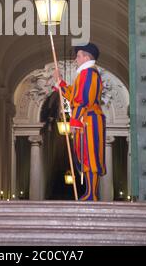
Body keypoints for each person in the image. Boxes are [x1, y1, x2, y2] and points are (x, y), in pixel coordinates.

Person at [54, 43, 106, 201]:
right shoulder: (84, 74)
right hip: (85, 119)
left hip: (88, 120)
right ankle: (90, 193)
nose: (76, 59)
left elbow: (82, 99)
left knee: (90, 156)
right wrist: (60, 82)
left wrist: (75, 120)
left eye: (78, 56)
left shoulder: (88, 74)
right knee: (85, 156)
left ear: (86, 57)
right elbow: (73, 96)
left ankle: (92, 194)